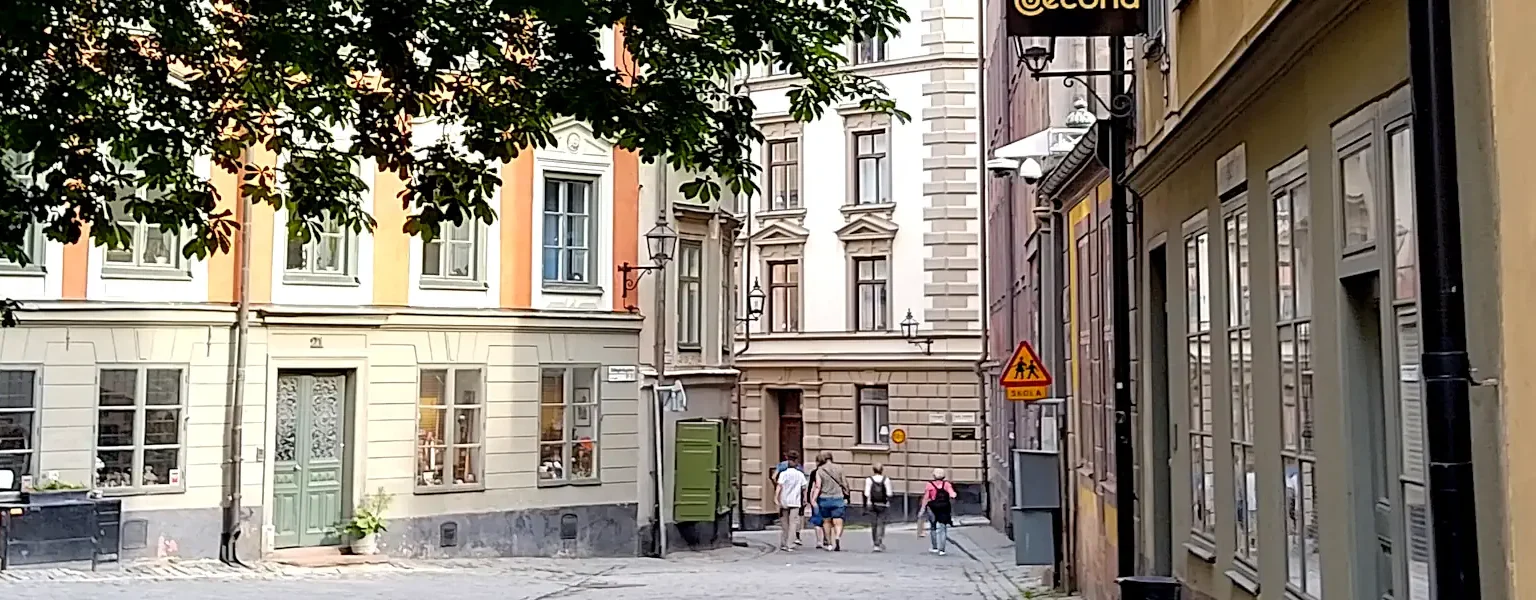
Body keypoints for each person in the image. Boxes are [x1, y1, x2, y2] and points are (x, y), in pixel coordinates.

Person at [809, 451, 849, 551]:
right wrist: (847, 496)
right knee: (838, 520)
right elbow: (844, 483)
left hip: (824, 498)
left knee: (826, 521)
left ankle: (829, 543)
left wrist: (813, 499)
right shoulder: (839, 468)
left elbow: (818, 486)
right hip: (838, 497)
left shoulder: (820, 470)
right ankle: (837, 537)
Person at [918, 467, 957, 556]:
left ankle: (934, 547)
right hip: (944, 507)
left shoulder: (929, 485)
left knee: (933, 527)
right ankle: (942, 550)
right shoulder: (947, 484)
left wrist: (922, 509)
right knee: (943, 528)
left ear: (934, 475)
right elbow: (952, 494)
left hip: (932, 507)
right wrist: (953, 495)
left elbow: (926, 498)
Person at [774, 455, 808, 551]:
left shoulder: (783, 474)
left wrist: (776, 498)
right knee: (794, 523)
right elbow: (804, 488)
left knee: (784, 523)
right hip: (795, 501)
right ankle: (790, 544)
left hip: (784, 500)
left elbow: (779, 486)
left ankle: (784, 543)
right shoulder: (800, 474)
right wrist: (805, 499)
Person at [863, 463, 892, 552]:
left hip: (871, 504)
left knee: (874, 524)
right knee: (881, 523)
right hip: (883, 504)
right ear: (882, 470)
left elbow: (866, 493)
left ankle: (875, 544)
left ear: (873, 470)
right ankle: (879, 540)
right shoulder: (886, 479)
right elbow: (889, 493)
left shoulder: (869, 479)